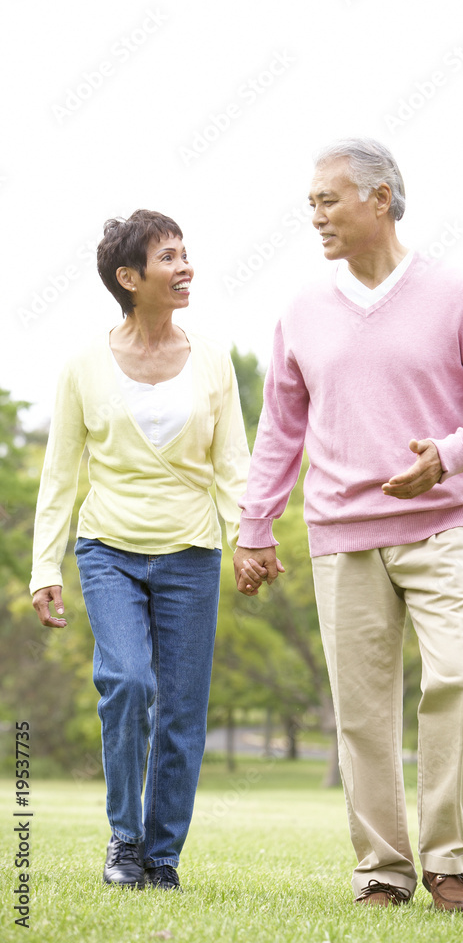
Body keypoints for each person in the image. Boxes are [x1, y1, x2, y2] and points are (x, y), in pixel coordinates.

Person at [233, 139, 463, 913]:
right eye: (311, 203)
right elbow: (279, 429)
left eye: (329, 200)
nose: (315, 214)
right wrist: (255, 525)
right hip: (340, 534)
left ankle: (447, 857)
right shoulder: (300, 311)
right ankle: (383, 870)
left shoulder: (459, 292)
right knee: (361, 713)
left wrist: (451, 454)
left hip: (442, 523)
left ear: (381, 199)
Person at [30, 210, 249, 891]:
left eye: (186, 254)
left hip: (191, 552)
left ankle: (161, 857)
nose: (185, 268)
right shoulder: (84, 367)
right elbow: (61, 474)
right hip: (109, 551)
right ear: (129, 278)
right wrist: (45, 566)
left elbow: (233, 466)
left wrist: (248, 542)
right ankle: (125, 839)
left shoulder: (213, 361)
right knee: (127, 683)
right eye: (168, 258)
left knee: (182, 712)